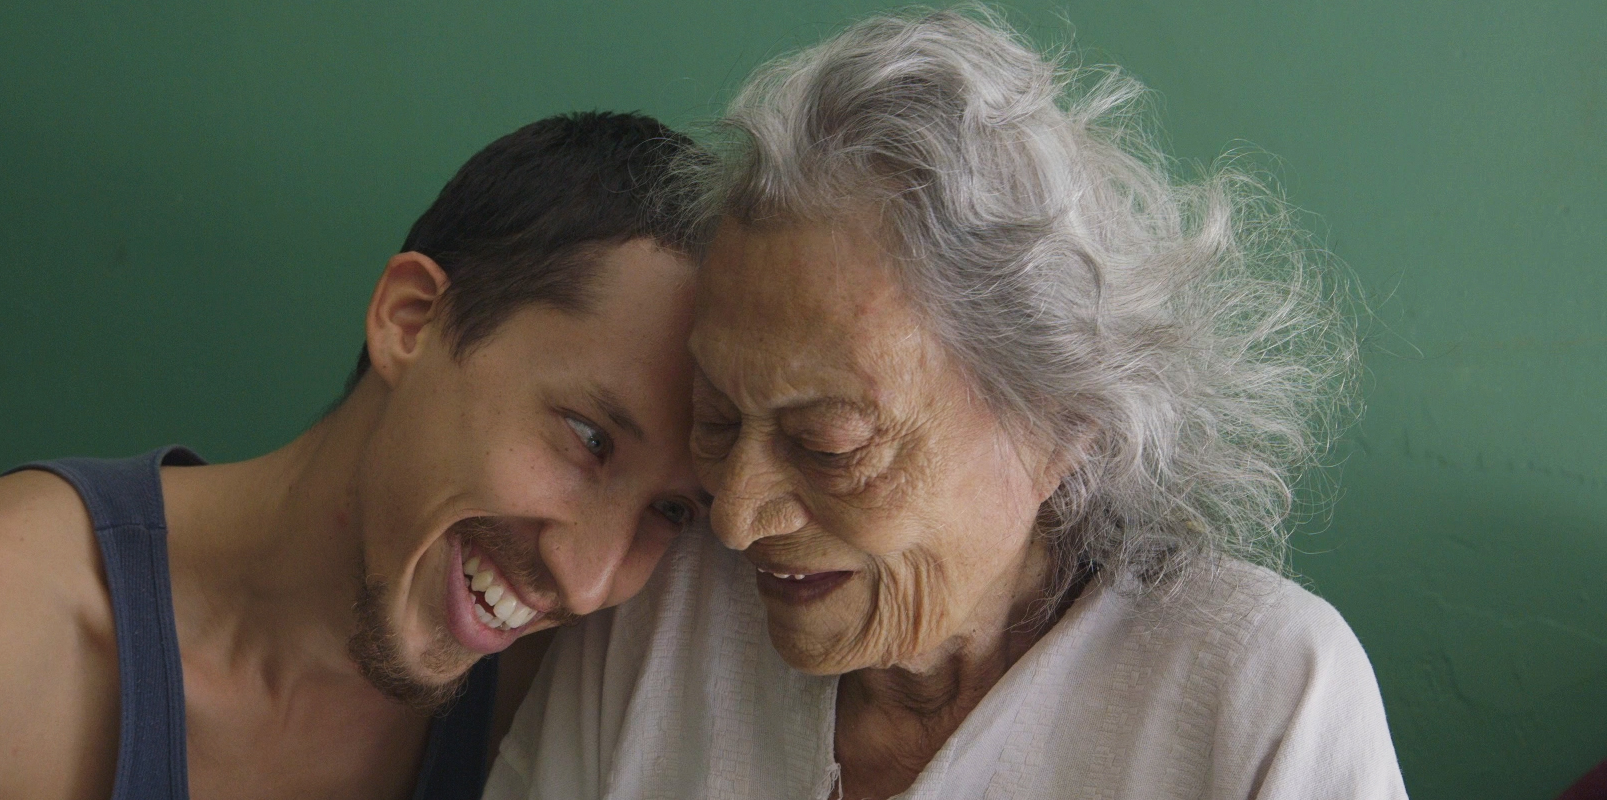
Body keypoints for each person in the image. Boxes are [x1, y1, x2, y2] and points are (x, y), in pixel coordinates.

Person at [488, 10, 1406, 800]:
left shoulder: (1258, 694)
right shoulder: (661, 617)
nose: (735, 516)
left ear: (1058, 427)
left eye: (828, 443)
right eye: (719, 420)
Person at [0, 111, 711, 800]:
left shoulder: (572, 696)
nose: (586, 578)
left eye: (670, 509)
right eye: (588, 438)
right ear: (410, 320)